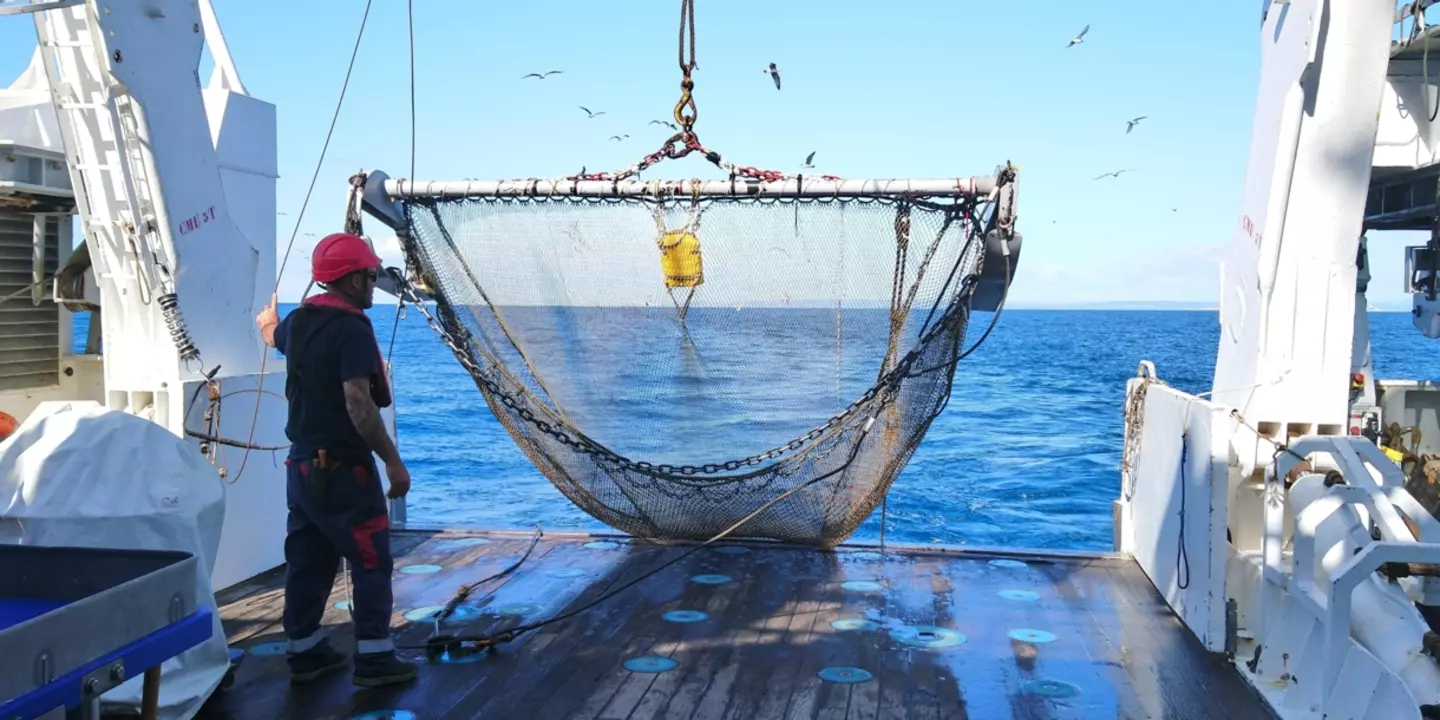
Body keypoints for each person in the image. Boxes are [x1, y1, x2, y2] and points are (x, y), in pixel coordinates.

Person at [254, 232, 417, 687]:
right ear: (349, 281)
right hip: (345, 471)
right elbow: (359, 404)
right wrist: (393, 462)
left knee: (308, 557)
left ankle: (305, 652)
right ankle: (375, 659)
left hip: (301, 468)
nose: (372, 283)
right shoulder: (351, 330)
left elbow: (274, 335)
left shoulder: (301, 321)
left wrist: (266, 322)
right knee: (369, 559)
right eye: (369, 275)